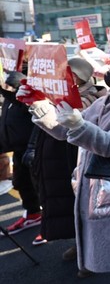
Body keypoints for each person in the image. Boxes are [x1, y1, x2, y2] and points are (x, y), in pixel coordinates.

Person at [23, 56, 110, 283]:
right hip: (101, 187)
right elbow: (62, 132)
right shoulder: (104, 101)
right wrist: (38, 105)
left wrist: (79, 124)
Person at [18, 58, 106, 276]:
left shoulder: (91, 97)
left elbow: (67, 125)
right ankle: (81, 246)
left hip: (78, 160)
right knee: (71, 207)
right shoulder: (60, 94)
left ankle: (92, 256)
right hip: (58, 161)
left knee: (86, 208)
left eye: (68, 74)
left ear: (78, 77)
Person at [0, 71, 41, 235]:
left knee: (40, 188)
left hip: (32, 152)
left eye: (11, 86)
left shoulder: (26, 103)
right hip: (17, 151)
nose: (7, 89)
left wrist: (32, 148)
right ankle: (33, 214)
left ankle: (49, 226)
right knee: (21, 183)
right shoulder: (9, 102)